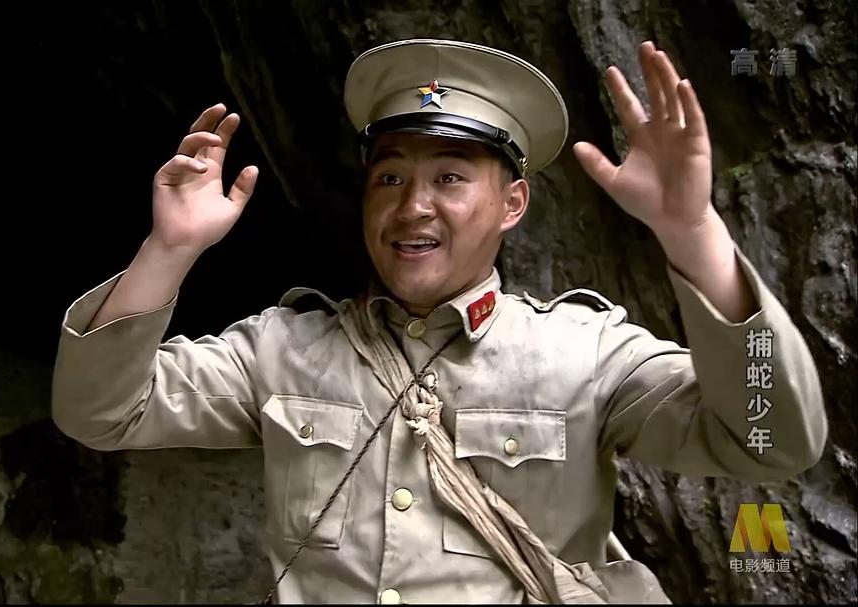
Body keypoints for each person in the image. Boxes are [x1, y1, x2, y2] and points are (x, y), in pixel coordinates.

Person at [50, 38, 827, 603]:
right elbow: (100, 411)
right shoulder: (281, 349)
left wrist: (693, 232)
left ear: (512, 204)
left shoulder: (585, 354)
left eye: (450, 178)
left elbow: (772, 438)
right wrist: (169, 248)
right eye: (390, 177)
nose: (413, 207)